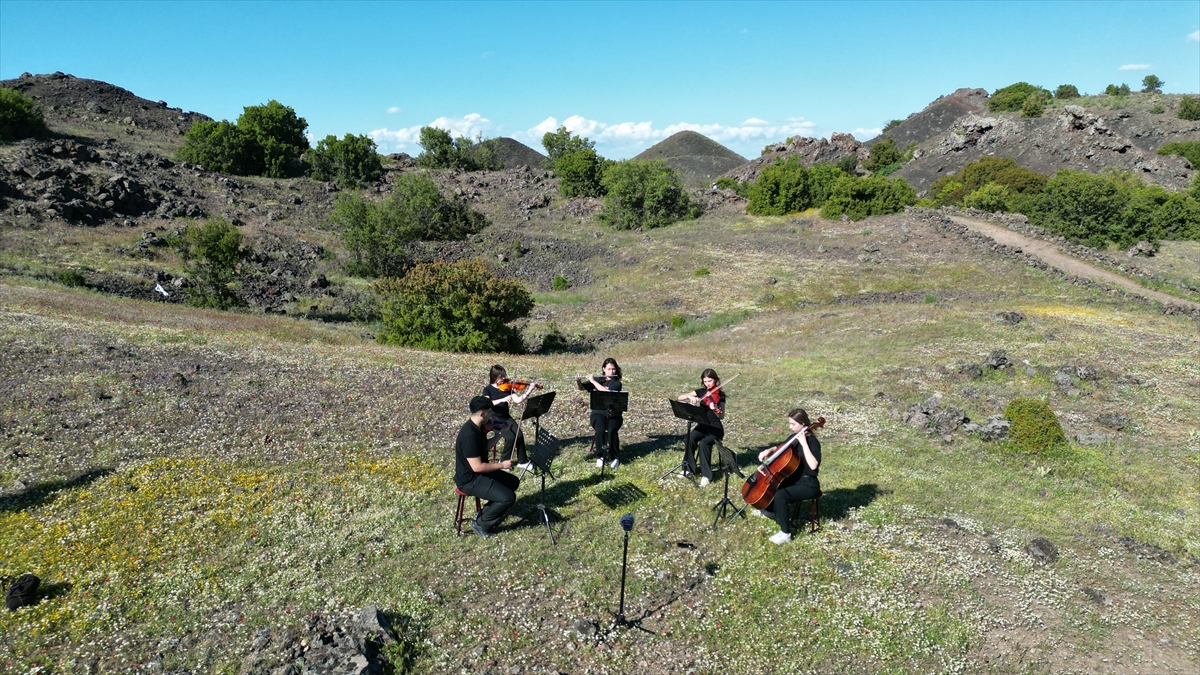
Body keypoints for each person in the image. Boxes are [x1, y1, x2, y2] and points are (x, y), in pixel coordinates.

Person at [455, 396, 521, 538]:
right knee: (508, 497)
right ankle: (481, 524)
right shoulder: (469, 436)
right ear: (481, 414)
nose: (491, 416)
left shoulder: (477, 427)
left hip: (477, 474)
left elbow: (484, 447)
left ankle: (484, 513)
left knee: (513, 482)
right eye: (489, 412)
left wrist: (501, 434)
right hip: (469, 480)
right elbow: (477, 467)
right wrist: (502, 465)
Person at [754, 408, 821, 545]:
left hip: (808, 483)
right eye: (789, 424)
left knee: (780, 495)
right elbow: (780, 448)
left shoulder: (813, 442)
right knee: (773, 484)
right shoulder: (793, 437)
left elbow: (814, 465)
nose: (790, 427)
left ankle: (786, 533)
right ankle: (770, 511)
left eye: (793, 424)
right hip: (795, 479)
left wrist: (803, 444)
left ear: (803, 424)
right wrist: (768, 450)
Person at [677, 368, 725, 487]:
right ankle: (688, 468)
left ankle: (706, 475)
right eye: (705, 381)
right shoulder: (701, 392)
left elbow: (722, 415)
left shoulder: (720, 395)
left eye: (710, 381)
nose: (708, 384)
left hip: (715, 428)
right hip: (702, 425)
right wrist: (689, 396)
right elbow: (679, 397)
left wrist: (715, 410)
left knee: (704, 443)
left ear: (715, 380)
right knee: (691, 437)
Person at [482, 365, 532, 471]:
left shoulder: (507, 388)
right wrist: (502, 399)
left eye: (504, 376)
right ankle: (503, 461)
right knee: (510, 438)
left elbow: (518, 400)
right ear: (494, 377)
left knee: (519, 435)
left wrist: (529, 391)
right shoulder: (488, 390)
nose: (504, 379)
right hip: (493, 419)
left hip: (506, 417)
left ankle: (523, 461)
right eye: (501, 377)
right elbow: (487, 404)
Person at [586, 358, 624, 470]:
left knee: (612, 430)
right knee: (601, 429)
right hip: (598, 413)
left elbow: (607, 393)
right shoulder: (599, 380)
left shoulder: (616, 383)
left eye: (613, 369)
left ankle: (614, 457)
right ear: (604, 369)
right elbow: (581, 388)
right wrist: (578, 381)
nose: (611, 371)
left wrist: (593, 381)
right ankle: (600, 456)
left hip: (614, 414)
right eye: (609, 369)